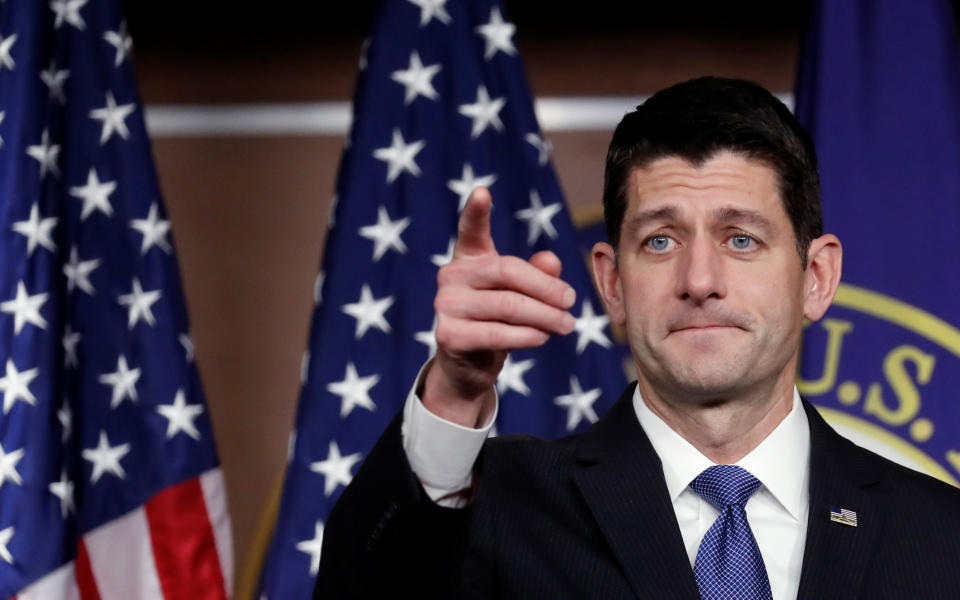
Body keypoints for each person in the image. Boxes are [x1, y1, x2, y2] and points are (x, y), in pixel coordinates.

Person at [315, 77, 960, 599]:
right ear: (612, 282)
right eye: (660, 241)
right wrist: (455, 393)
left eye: (741, 239)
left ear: (816, 277)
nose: (700, 280)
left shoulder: (938, 537)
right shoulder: (502, 507)